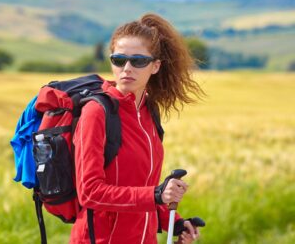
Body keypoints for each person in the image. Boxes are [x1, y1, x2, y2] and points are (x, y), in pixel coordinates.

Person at [70, 13, 204, 244]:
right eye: (119, 60)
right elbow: (89, 192)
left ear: (155, 66)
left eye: (138, 61)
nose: (127, 68)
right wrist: (156, 195)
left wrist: (173, 223)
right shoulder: (97, 113)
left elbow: (144, 187)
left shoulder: (148, 112)